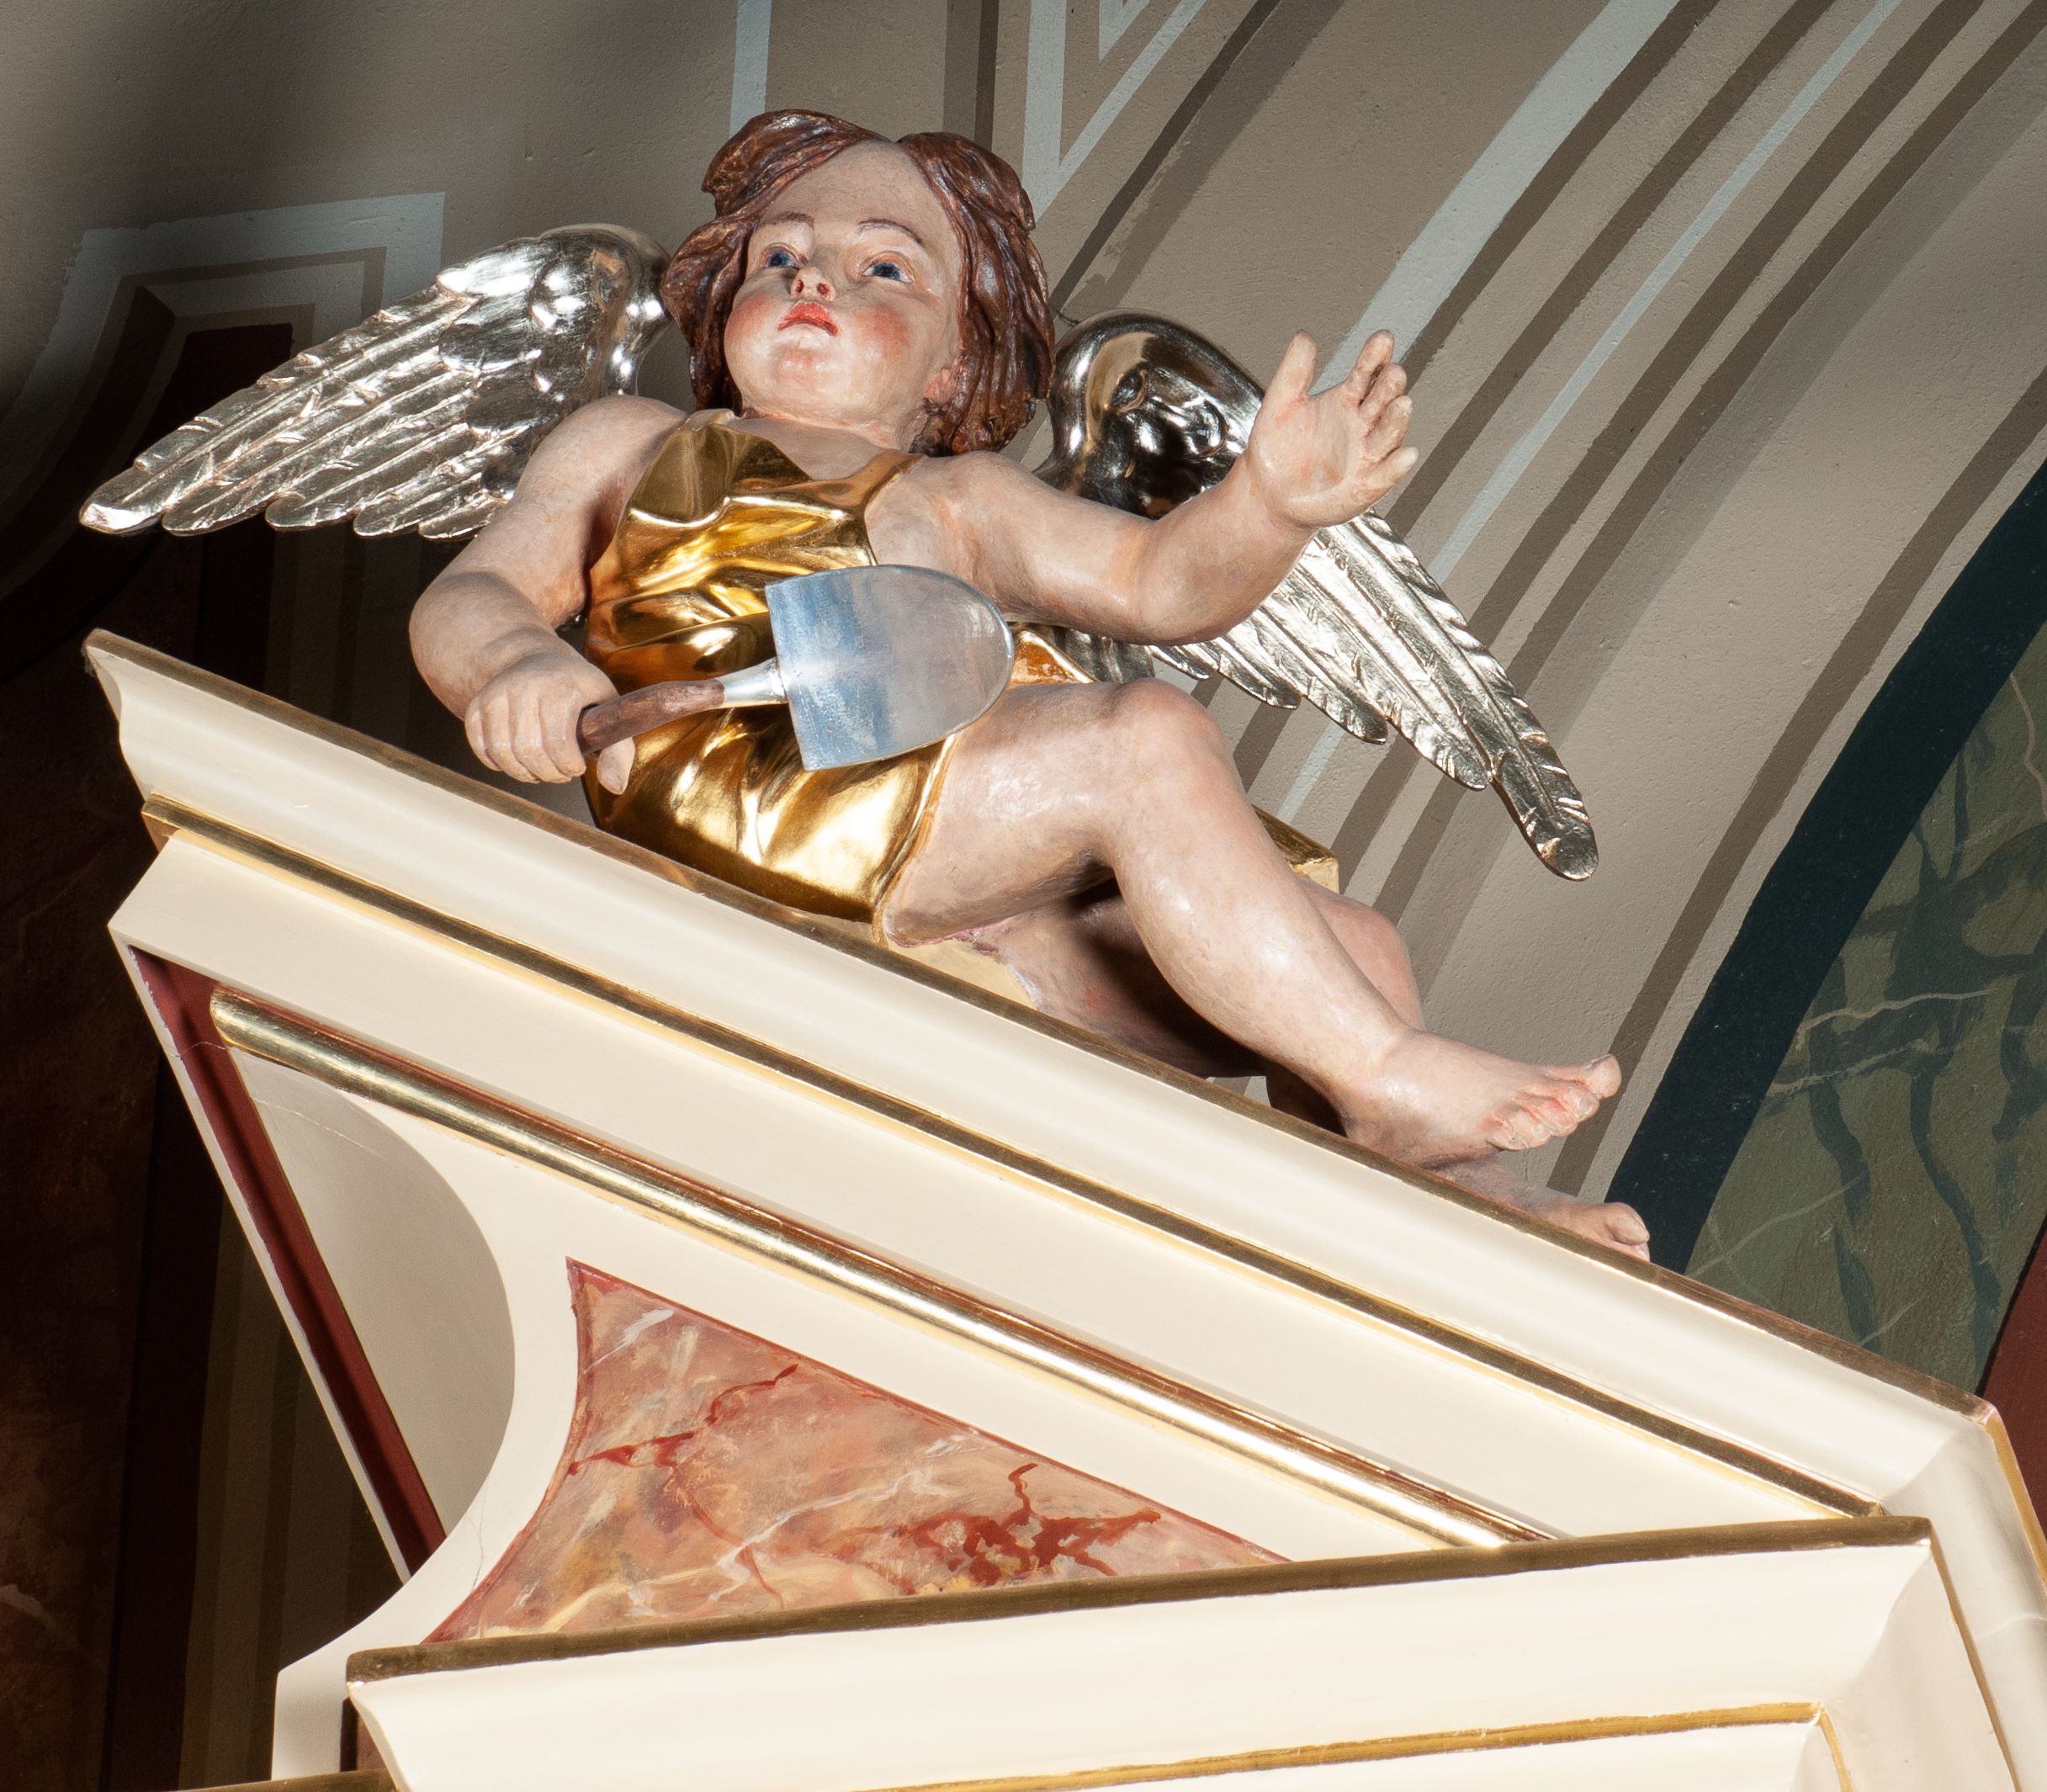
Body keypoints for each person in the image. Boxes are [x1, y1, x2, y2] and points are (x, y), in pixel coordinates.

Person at [409, 109, 1647, 1257]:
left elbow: (1160, 583)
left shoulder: (960, 498)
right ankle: (1384, 1075)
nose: (815, 280)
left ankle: (1458, 1203)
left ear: (955, 360)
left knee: (1352, 941)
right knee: (1142, 734)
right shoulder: (636, 443)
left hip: (943, 830)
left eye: (882, 269)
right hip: (761, 783)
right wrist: (517, 662)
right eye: (779, 257)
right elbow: (477, 592)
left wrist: (1266, 507)